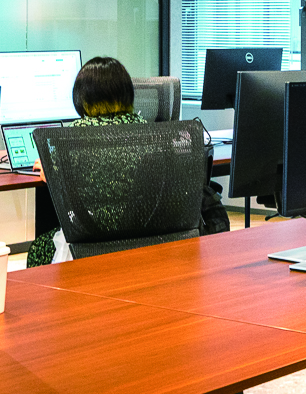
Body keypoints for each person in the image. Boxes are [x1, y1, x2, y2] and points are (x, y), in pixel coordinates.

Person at [27, 56, 227, 267]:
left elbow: (61, 180)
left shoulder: (72, 136)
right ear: (128, 93)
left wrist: (48, 171)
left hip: (92, 234)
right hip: (143, 232)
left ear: (82, 96)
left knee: (38, 248)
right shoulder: (151, 131)